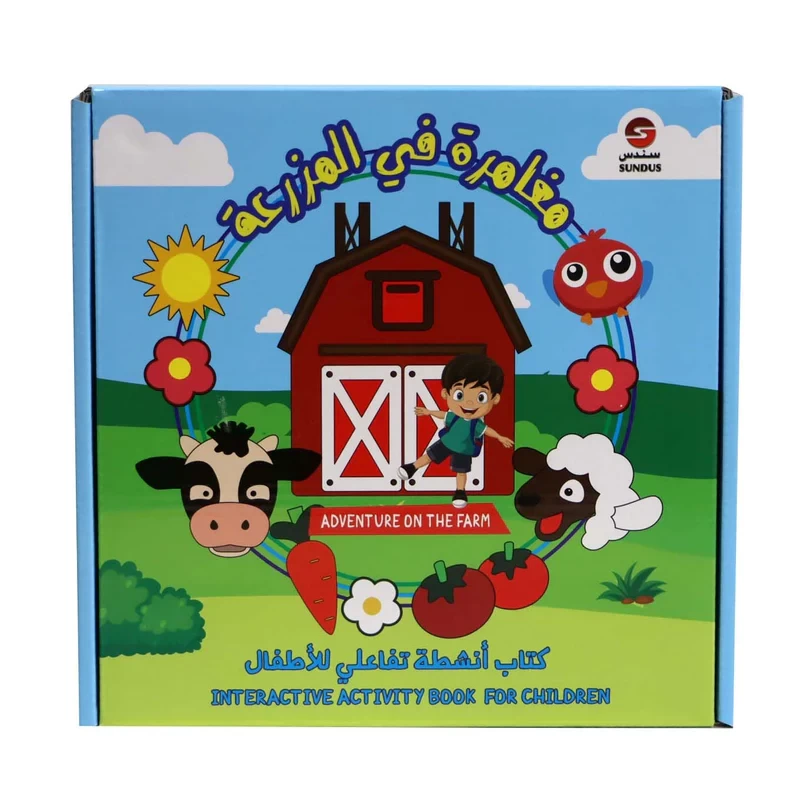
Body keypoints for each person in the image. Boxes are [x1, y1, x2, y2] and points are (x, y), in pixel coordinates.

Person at [398, 353, 514, 508]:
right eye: (460, 395)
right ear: (446, 394)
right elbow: (443, 414)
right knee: (429, 456)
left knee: (461, 471)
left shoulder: (476, 424)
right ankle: (412, 467)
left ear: (495, 399)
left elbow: (487, 430)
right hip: (446, 442)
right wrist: (429, 412)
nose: (469, 403)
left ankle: (460, 491)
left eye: (481, 397)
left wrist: (499, 437)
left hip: (464, 450)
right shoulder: (454, 416)